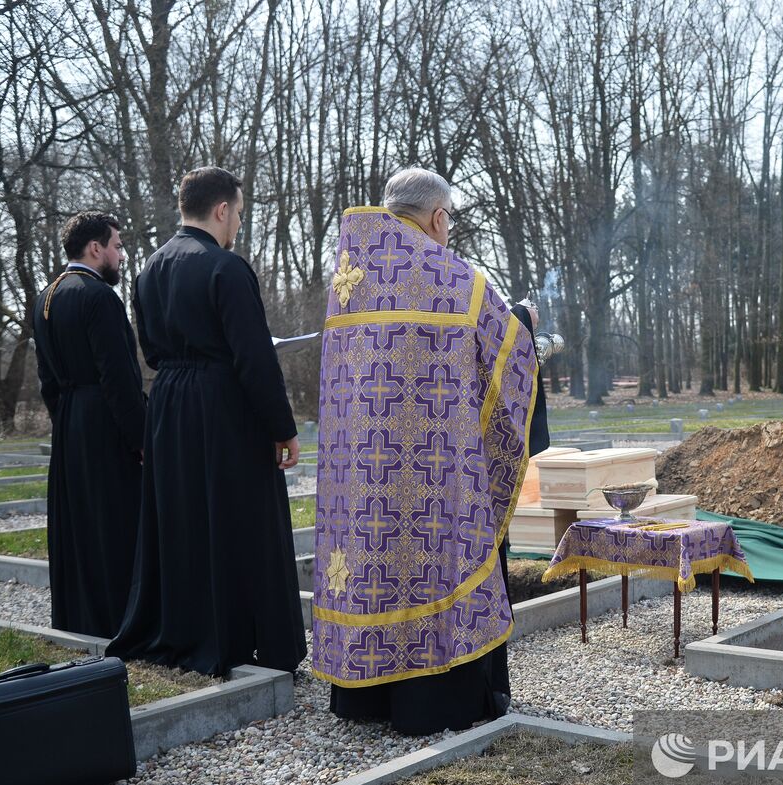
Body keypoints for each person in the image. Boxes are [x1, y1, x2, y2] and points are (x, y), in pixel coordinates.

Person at [311, 168, 539, 735]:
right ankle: (436, 700)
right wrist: (526, 325)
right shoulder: (456, 278)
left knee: (372, 563)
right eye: (450, 219)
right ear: (437, 218)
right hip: (434, 474)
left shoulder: (349, 281)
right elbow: (509, 357)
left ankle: (364, 699)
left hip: (363, 477)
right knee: (433, 565)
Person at [109, 167, 306, 677]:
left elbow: (150, 350)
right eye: (238, 212)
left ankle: (185, 627)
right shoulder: (225, 267)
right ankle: (240, 637)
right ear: (221, 210)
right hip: (221, 404)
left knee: (184, 515)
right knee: (238, 514)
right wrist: (282, 427)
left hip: (169, 402)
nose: (238, 222)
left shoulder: (148, 270)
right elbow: (254, 361)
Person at [32, 211, 146, 638]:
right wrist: (140, 438)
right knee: (113, 524)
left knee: (80, 526)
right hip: (103, 424)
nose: (120, 254)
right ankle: (119, 621)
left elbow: (47, 380)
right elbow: (119, 379)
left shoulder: (46, 296)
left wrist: (65, 422)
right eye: (116, 246)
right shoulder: (99, 297)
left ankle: (81, 621)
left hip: (68, 423)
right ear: (95, 248)